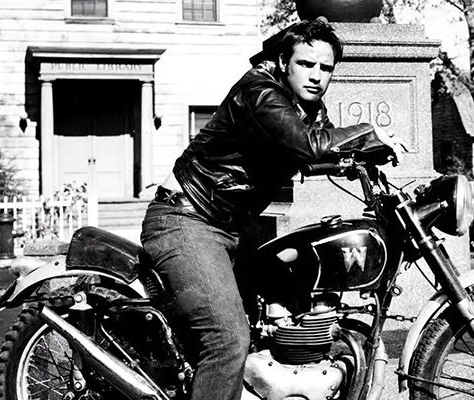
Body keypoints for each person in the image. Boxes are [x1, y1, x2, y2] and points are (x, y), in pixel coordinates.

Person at [140, 18, 404, 400]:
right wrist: (366, 132)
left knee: (277, 310)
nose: (316, 76)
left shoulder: (307, 107)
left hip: (232, 224)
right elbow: (306, 145)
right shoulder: (260, 92)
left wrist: (364, 156)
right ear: (283, 61)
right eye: (306, 64)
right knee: (228, 338)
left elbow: (317, 154)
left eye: (326, 68)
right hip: (187, 219)